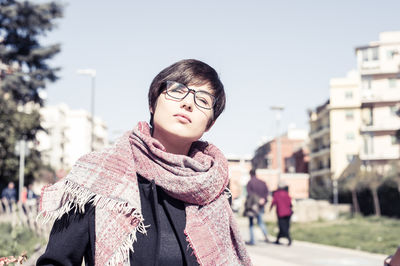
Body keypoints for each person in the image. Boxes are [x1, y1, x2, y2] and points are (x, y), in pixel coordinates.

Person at [37, 59, 251, 266]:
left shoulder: (213, 191)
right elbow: (57, 261)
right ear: (152, 103)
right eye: (177, 90)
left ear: (209, 124)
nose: (187, 103)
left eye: (203, 101)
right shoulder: (98, 176)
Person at [244, 169, 269, 245]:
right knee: (260, 222)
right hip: (261, 205)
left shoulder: (250, 183)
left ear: (250, 174)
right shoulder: (262, 182)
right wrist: (263, 200)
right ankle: (266, 235)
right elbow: (267, 192)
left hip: (253, 207)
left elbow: (249, 194)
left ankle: (252, 240)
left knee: (251, 223)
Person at [270, 180, 293, 246]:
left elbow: (273, 202)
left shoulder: (276, 194)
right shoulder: (286, 193)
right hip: (288, 212)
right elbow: (290, 203)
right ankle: (278, 239)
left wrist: (270, 209)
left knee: (282, 227)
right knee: (285, 226)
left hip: (281, 213)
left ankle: (289, 239)